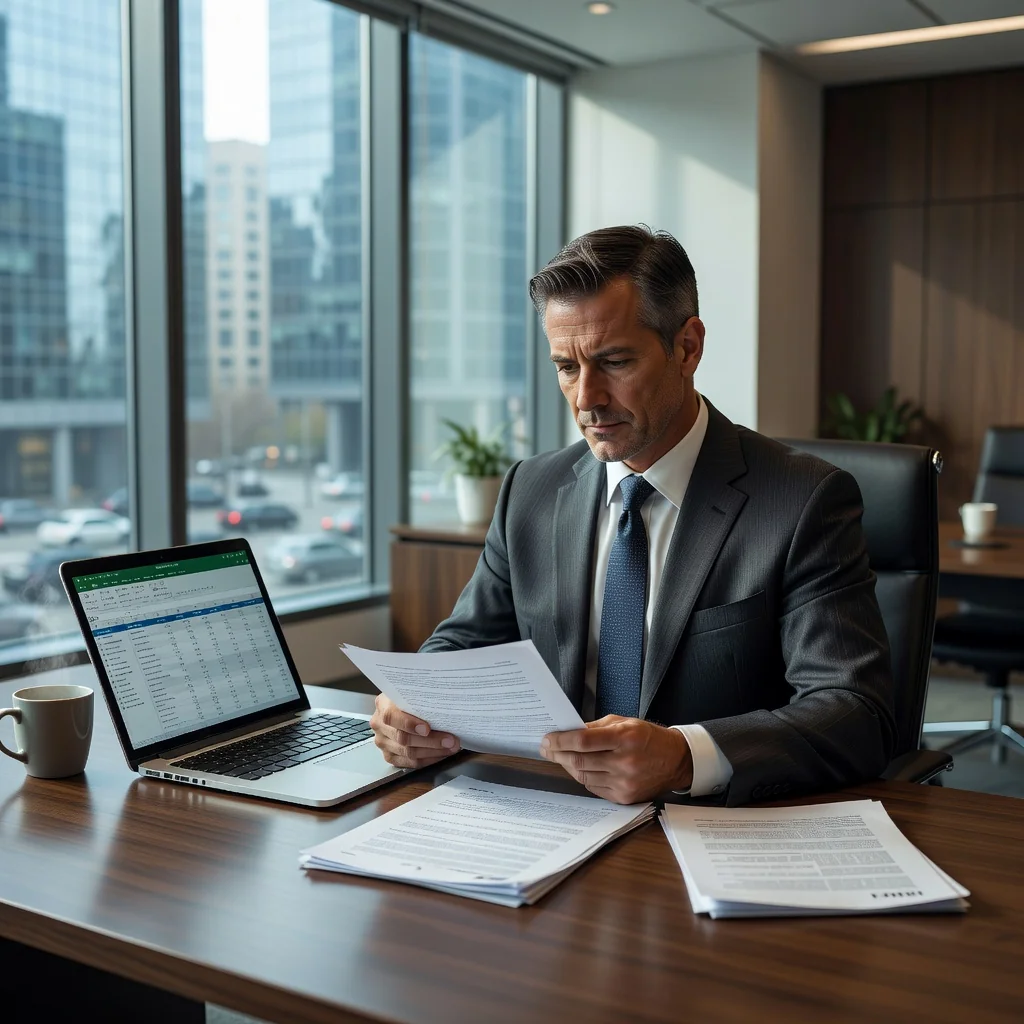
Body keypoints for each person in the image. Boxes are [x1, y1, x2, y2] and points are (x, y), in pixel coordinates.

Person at [370, 225, 896, 806]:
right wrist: (412, 709)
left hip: (714, 830)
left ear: (688, 348)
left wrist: (682, 756)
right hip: (548, 815)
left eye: (614, 361)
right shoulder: (531, 489)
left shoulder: (802, 500)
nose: (586, 398)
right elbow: (464, 645)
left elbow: (856, 712)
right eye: (567, 367)